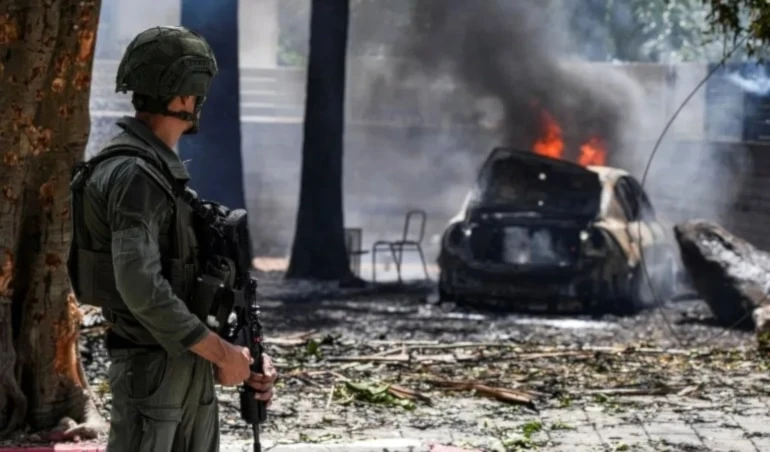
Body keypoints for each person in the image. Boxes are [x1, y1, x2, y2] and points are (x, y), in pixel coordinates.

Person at [66, 26, 277, 451]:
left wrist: (241, 352)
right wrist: (220, 352)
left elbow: (186, 285)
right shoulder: (136, 176)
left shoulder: (161, 177)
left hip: (185, 363)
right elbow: (140, 286)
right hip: (156, 370)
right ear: (183, 97)